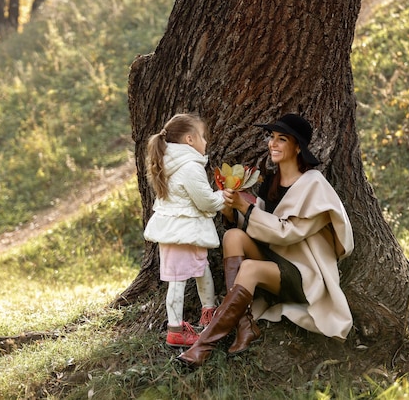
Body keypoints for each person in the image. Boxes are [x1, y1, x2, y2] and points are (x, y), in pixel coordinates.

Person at [177, 113, 354, 367]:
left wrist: (246, 208)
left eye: (282, 139)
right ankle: (244, 326)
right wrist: (232, 210)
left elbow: (287, 233)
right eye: (272, 137)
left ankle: (202, 347)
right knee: (232, 236)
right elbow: (256, 228)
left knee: (249, 267)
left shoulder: (314, 184)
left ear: (297, 147)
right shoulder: (270, 182)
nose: (273, 144)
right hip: (274, 260)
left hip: (302, 274)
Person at [144, 113, 225, 348]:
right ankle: (175, 329)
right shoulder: (189, 166)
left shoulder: (167, 161)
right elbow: (206, 202)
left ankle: (208, 312)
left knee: (201, 268)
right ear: (190, 139)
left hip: (179, 230)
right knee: (178, 281)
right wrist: (223, 197)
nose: (206, 142)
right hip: (182, 231)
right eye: (203, 137)